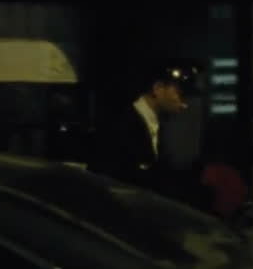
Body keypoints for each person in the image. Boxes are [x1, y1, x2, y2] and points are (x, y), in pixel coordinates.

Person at [87, 60, 205, 205]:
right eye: (180, 94)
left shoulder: (155, 125)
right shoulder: (121, 126)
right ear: (158, 88)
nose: (184, 104)